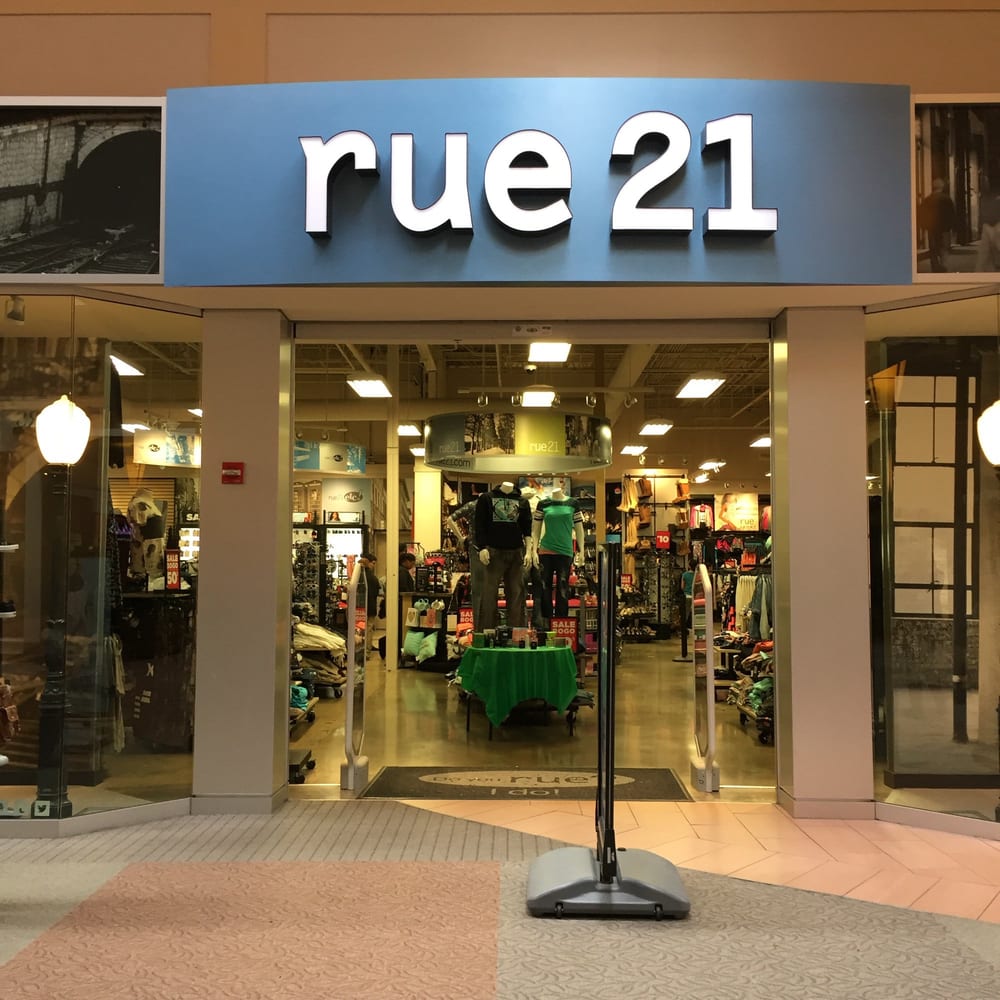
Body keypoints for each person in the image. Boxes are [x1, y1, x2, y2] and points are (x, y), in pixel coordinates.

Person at [917, 177, 956, 272]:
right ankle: (943, 265)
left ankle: (935, 266)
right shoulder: (946, 199)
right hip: (944, 228)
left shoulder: (927, 200)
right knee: (944, 247)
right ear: (942, 187)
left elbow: (921, 214)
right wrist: (951, 226)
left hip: (931, 227)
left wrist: (924, 226)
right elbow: (951, 214)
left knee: (933, 249)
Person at [360, 551, 380, 618]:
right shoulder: (371, 577)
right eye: (373, 563)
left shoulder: (359, 575)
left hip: (360, 609)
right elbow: (376, 592)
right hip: (371, 608)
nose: (373, 566)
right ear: (367, 562)